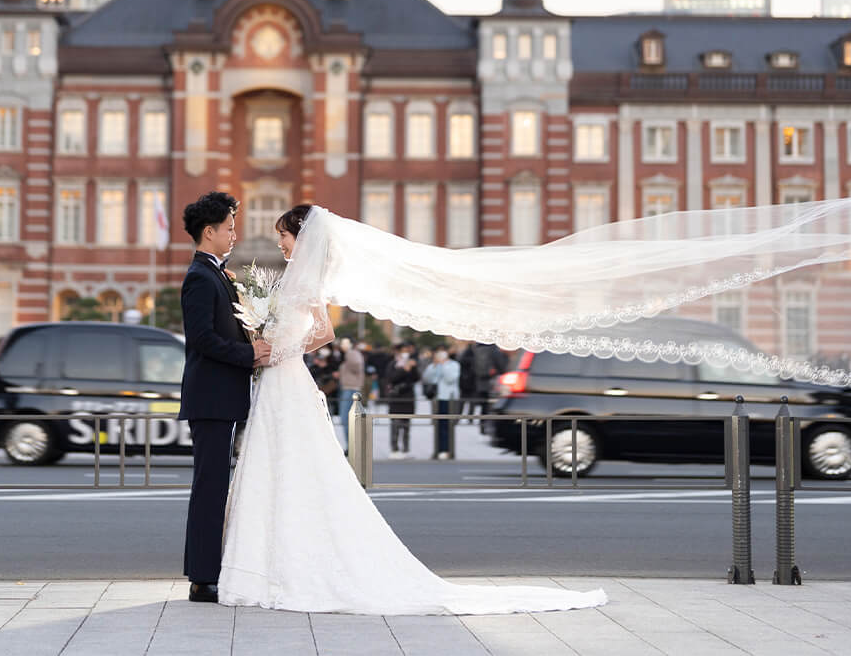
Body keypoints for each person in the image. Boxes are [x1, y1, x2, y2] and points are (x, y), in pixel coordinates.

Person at [219, 206, 605, 615]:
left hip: (287, 376)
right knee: (278, 465)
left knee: (294, 465)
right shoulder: (293, 276)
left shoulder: (308, 277)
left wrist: (278, 350)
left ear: (302, 237)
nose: (279, 242)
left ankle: (279, 566)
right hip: (279, 380)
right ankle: (267, 563)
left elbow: (325, 331)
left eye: (284, 235)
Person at [177, 191, 272, 605]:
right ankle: (202, 578)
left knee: (219, 487)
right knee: (210, 488)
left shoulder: (219, 274)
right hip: (210, 399)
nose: (234, 234)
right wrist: (248, 353)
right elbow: (202, 340)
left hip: (224, 396)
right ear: (209, 231)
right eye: (229, 227)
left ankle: (211, 571)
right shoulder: (200, 277)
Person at [421, 347, 462, 460]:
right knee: (437, 425)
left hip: (449, 398)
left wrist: (443, 365)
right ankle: (438, 449)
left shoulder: (454, 365)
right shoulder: (434, 365)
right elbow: (427, 378)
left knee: (447, 425)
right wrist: (434, 366)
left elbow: (450, 378)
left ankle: (446, 450)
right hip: (437, 398)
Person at [381, 345, 419, 455]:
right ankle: (394, 448)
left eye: (407, 351)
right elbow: (391, 378)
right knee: (395, 424)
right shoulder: (393, 364)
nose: (405, 354)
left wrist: (414, 368)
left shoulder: (411, 364)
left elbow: (416, 379)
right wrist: (403, 369)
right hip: (396, 398)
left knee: (406, 425)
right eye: (403, 351)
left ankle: (406, 448)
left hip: (408, 398)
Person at [334, 337, 365, 450]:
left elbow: (357, 366)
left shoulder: (351, 353)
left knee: (346, 419)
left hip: (351, 389)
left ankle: (352, 445)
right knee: (348, 419)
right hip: (349, 388)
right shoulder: (350, 354)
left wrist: (348, 355)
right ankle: (351, 445)